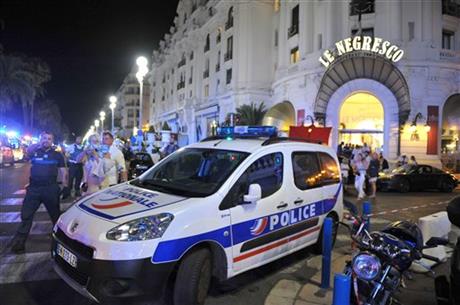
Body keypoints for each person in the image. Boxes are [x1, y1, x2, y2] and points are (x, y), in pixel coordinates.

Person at [10, 131, 68, 253]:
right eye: (44, 138)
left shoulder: (57, 155)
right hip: (34, 189)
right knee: (26, 216)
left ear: (52, 141)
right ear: (41, 139)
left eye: (49, 138)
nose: (46, 140)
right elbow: (27, 151)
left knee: (56, 217)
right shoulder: (34, 152)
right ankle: (19, 243)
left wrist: (65, 186)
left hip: (50, 189)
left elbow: (63, 171)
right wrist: (37, 143)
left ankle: (62, 242)